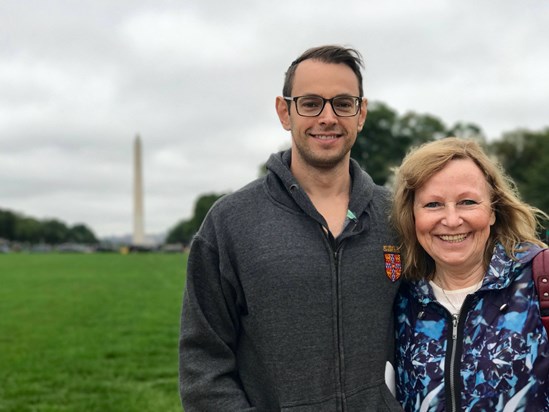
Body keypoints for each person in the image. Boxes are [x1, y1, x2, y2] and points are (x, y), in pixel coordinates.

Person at [179, 45, 403, 411]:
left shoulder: (397, 215)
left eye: (343, 103)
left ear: (361, 113)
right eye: (311, 103)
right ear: (285, 112)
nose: (328, 117)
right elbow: (202, 364)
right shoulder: (231, 221)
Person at [390, 137, 549, 411]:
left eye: (467, 202)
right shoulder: (399, 299)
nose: (451, 220)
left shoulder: (538, 280)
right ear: (412, 216)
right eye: (433, 205)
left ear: (493, 211)